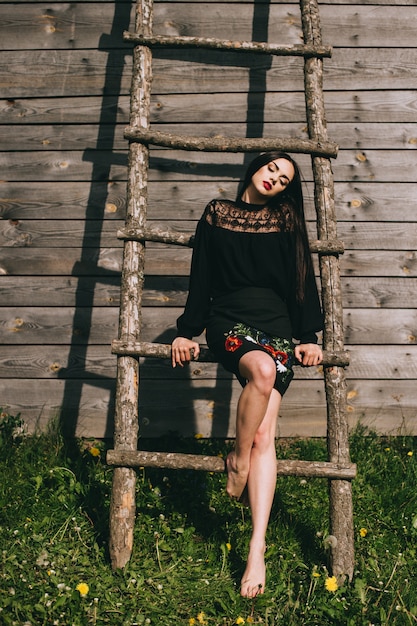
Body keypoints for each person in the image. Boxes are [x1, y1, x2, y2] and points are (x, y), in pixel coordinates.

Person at [171, 151, 323, 598]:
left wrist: (309, 334)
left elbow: (302, 278)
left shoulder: (287, 220)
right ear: (256, 167)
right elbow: (201, 275)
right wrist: (187, 330)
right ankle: (236, 460)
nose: (276, 178)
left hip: (276, 325)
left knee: (265, 437)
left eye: (285, 177)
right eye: (273, 168)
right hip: (229, 320)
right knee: (259, 370)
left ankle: (256, 549)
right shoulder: (217, 213)